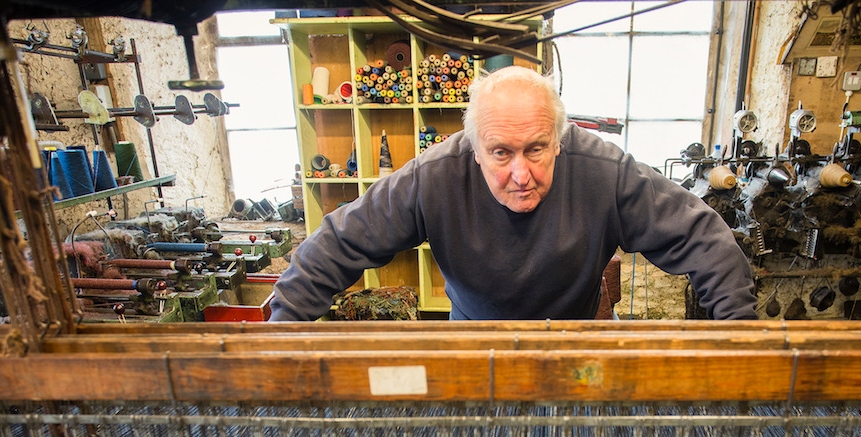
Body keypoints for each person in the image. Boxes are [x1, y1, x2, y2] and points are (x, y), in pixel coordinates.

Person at [268, 66, 756, 321]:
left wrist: (741, 346)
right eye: (501, 153)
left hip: (577, 354)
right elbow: (335, 244)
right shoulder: (434, 177)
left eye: (537, 149)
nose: (521, 173)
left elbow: (705, 240)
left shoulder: (604, 172)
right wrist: (279, 338)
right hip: (479, 356)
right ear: (473, 148)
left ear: (559, 140)